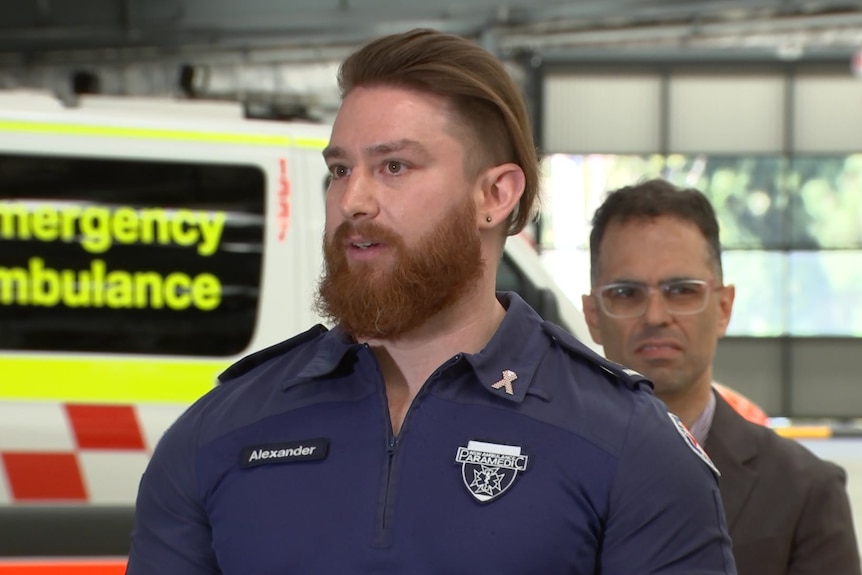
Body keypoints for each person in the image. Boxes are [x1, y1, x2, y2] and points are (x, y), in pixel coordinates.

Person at [126, 30, 737, 574]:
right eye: (339, 170)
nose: (353, 200)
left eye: (393, 166)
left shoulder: (630, 446)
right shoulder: (219, 432)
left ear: (495, 194)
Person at [581, 178, 861, 575]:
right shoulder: (539, 466)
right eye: (626, 293)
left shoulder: (806, 493)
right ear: (593, 315)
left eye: (682, 290)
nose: (656, 315)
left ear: (724, 307)